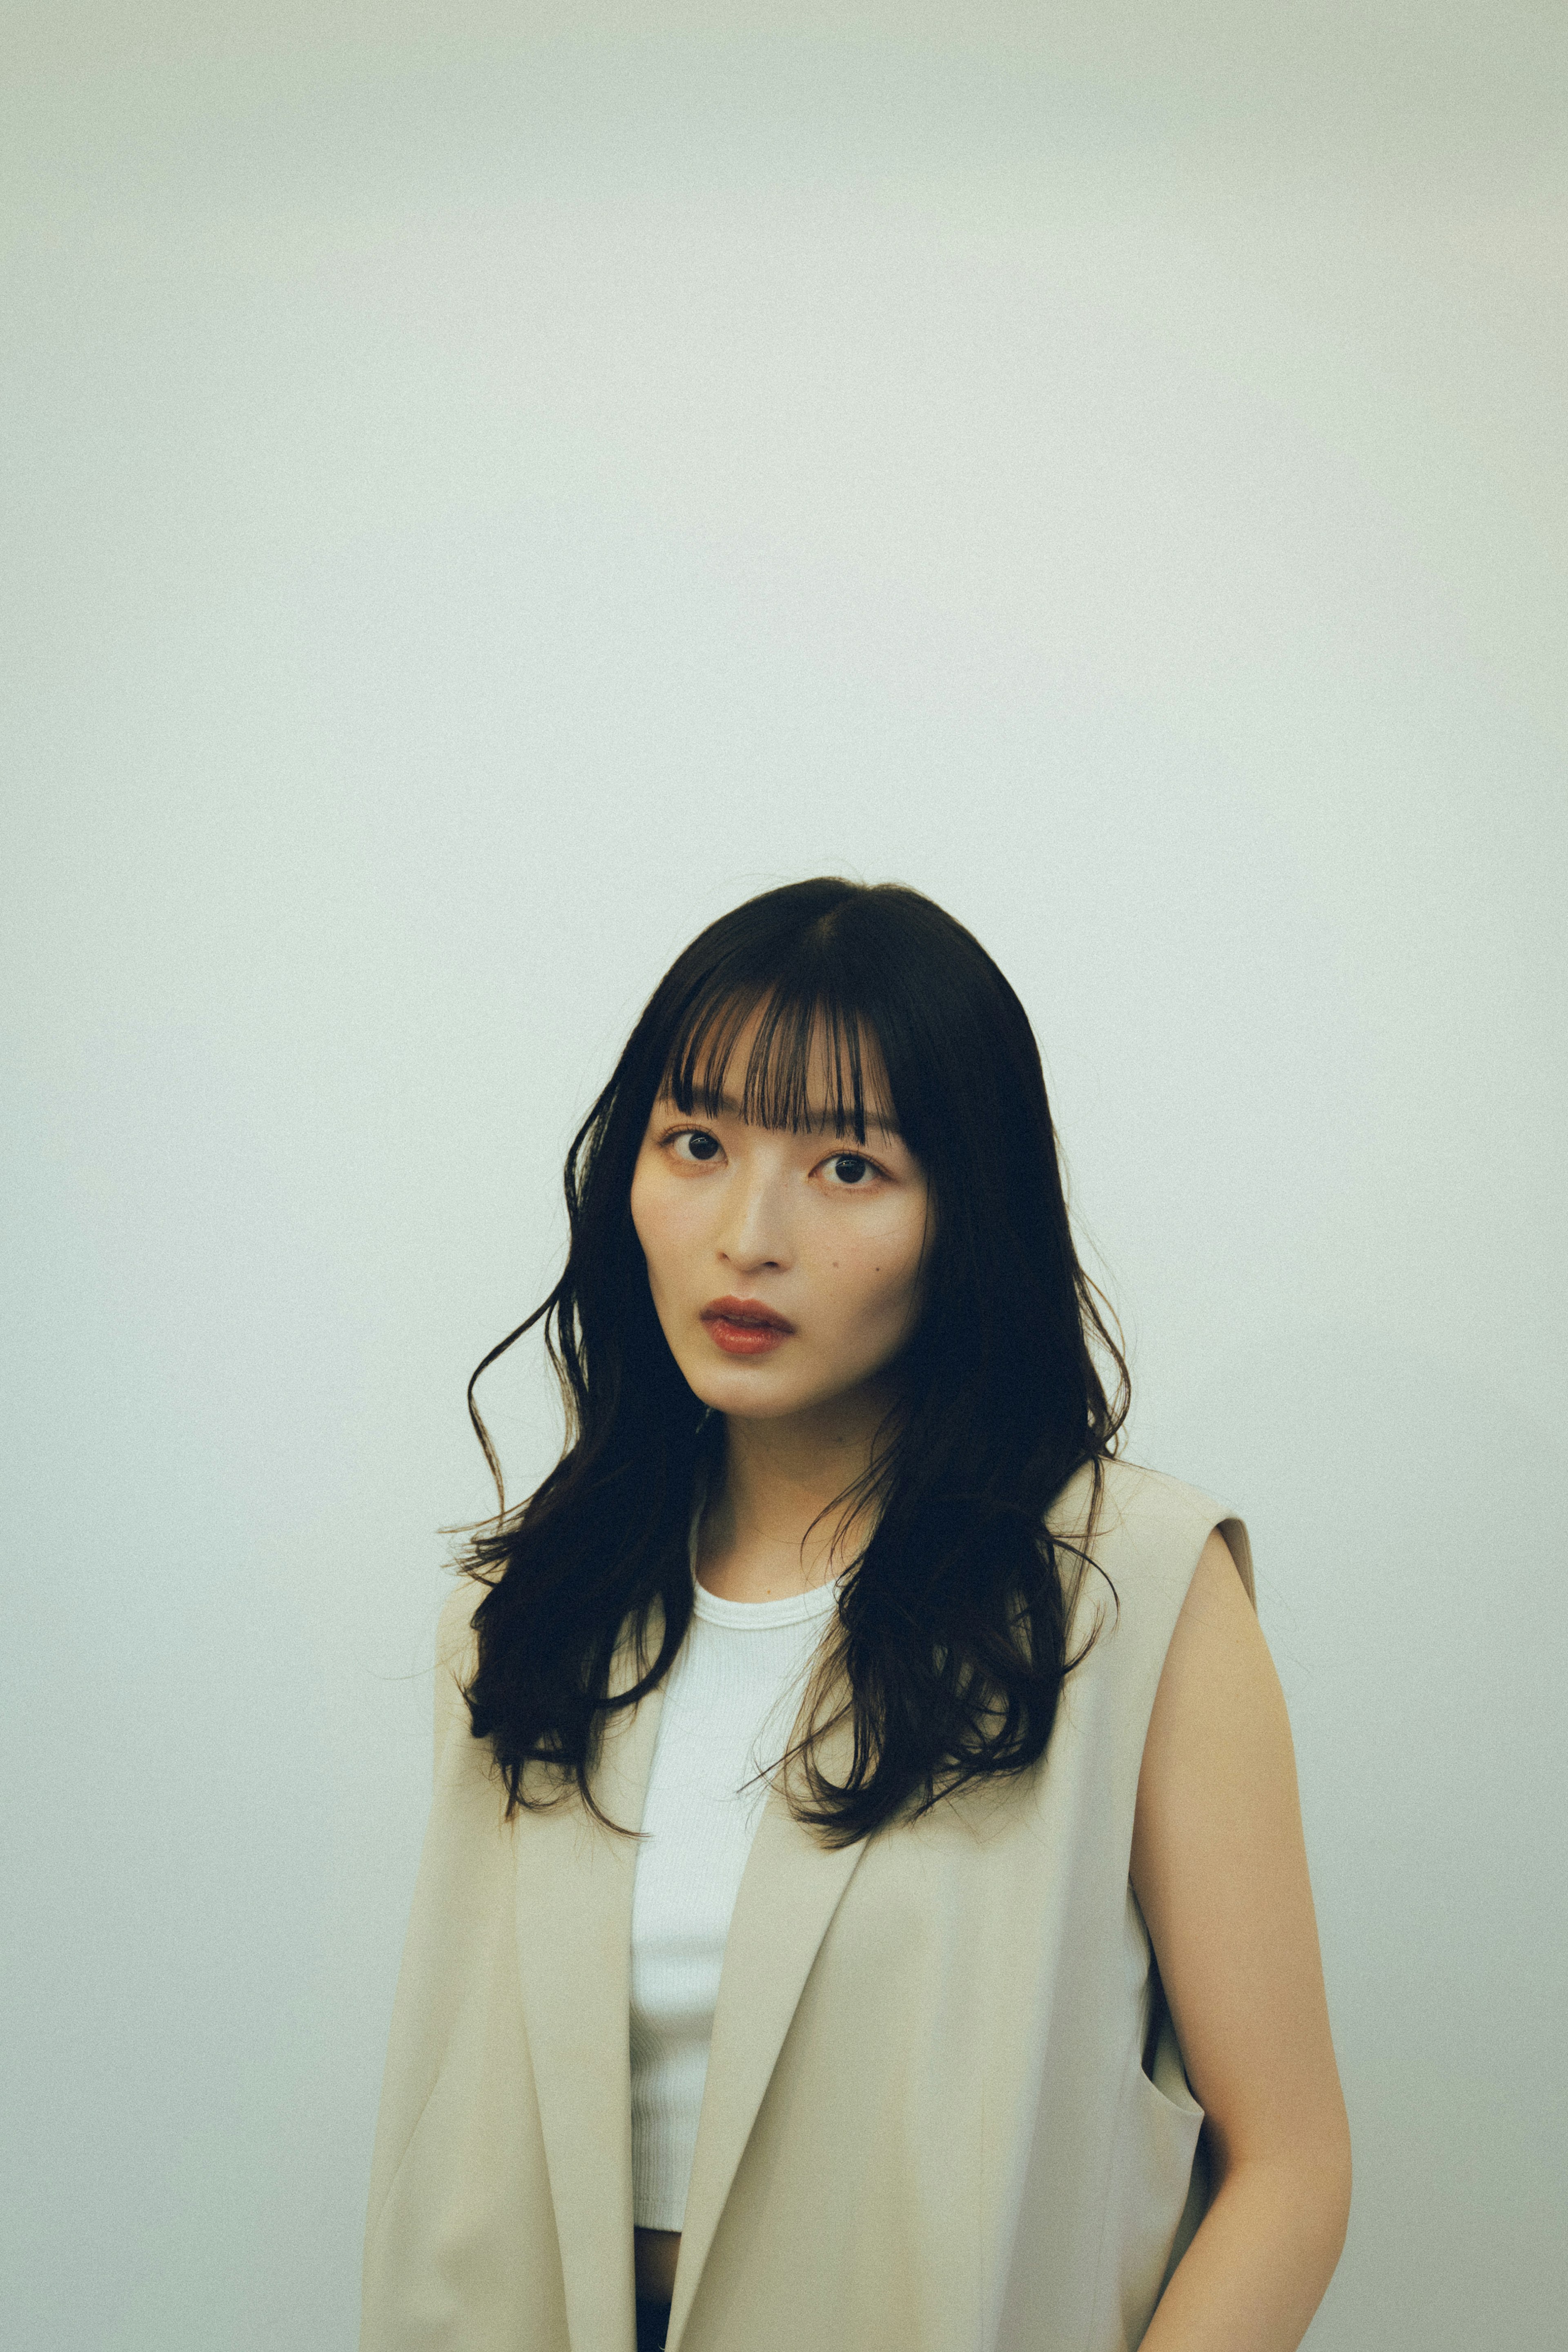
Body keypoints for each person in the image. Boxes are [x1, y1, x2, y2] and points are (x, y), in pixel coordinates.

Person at [359, 878, 1351, 2352]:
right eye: (696, 1144)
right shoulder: (532, 1613)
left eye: (848, 1167)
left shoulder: (1127, 1592)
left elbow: (1289, 2166)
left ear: (970, 1214)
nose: (747, 1235)